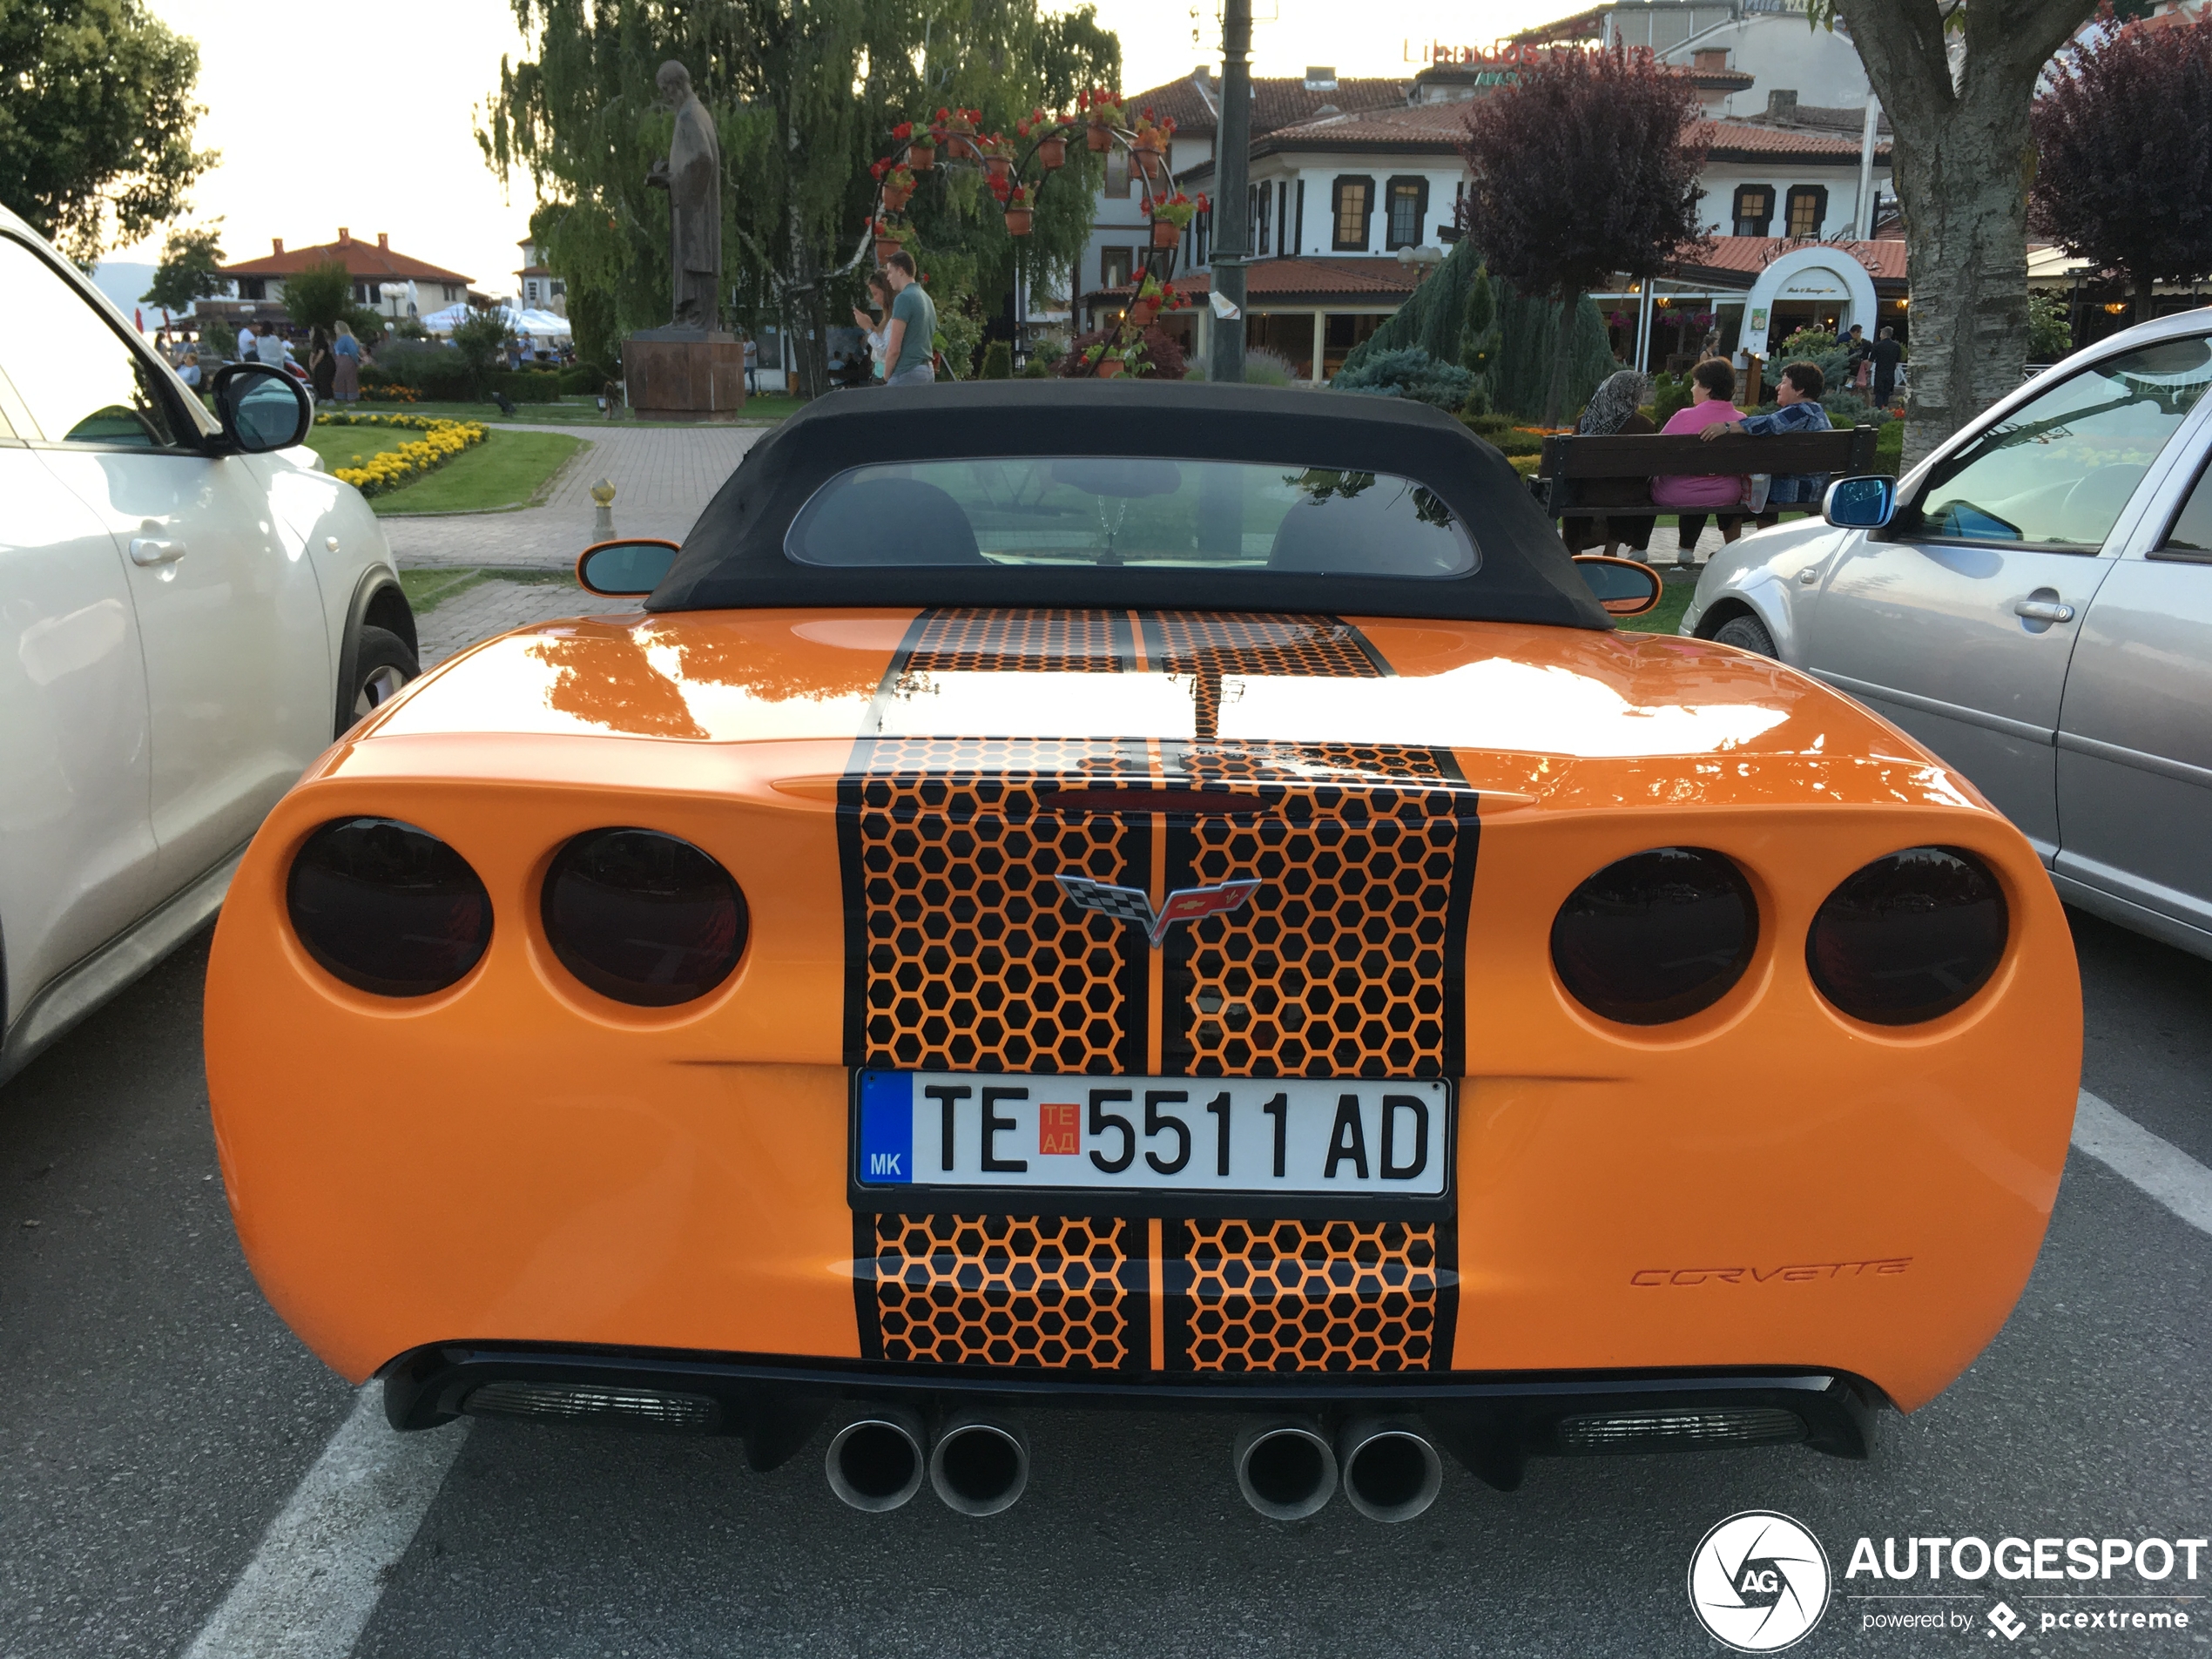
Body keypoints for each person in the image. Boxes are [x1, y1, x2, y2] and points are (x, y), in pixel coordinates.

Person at [1699, 360, 1833, 523]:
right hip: (1814, 487)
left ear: (1799, 390)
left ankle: (1744, 544)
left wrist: (1727, 427)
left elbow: (1770, 423)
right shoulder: (1817, 412)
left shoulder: (1801, 412)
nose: (1777, 387)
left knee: (1734, 493)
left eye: (1784, 383)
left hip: (1797, 489)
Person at [1653, 356, 1749, 566]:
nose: (1691, 389)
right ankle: (1728, 548)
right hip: (1725, 494)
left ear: (1707, 388)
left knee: (1685, 486)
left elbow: (1656, 454)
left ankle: (1675, 550)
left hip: (1677, 494)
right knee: (1707, 488)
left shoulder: (1683, 417)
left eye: (1696, 383)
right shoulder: (1741, 420)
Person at [1559, 369, 1657, 559]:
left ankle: (1573, 551)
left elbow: (1574, 466)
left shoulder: (1585, 421)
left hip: (1587, 496)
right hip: (1629, 496)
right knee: (1629, 488)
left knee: (1575, 491)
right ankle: (1611, 550)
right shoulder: (1645, 425)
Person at [880, 251, 937, 388]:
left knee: (884, 406)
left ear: (900, 271)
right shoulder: (926, 298)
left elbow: (894, 349)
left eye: (890, 272)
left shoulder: (903, 298)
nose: (888, 277)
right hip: (927, 371)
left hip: (907, 372)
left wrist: (885, 378)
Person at [852, 273, 894, 385]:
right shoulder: (887, 318)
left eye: (876, 294)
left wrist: (868, 329)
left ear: (886, 292)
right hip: (879, 373)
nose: (874, 299)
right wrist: (871, 326)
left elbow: (884, 350)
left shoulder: (894, 318)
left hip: (884, 376)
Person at [1871, 326, 1904, 408]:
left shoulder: (1878, 345)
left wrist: (1867, 370)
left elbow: (1871, 360)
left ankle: (1878, 410)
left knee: (1879, 392)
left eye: (1881, 334)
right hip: (1890, 372)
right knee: (1887, 393)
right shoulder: (1896, 346)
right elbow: (1897, 362)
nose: (1880, 336)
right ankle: (1885, 408)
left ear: (1884, 334)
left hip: (1880, 371)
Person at [331, 320, 362, 402]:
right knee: (342, 378)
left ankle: (351, 398)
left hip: (346, 360)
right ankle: (344, 397)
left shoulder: (346, 338)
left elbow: (353, 350)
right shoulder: (341, 339)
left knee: (347, 378)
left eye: (336, 328)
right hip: (341, 361)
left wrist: (355, 361)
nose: (335, 330)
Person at [308, 325, 336, 402]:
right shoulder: (315, 343)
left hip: (326, 364)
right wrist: (311, 363)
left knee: (324, 381)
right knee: (318, 381)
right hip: (321, 365)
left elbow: (321, 353)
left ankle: (328, 399)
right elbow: (312, 353)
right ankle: (321, 397)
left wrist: (314, 364)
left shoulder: (321, 342)